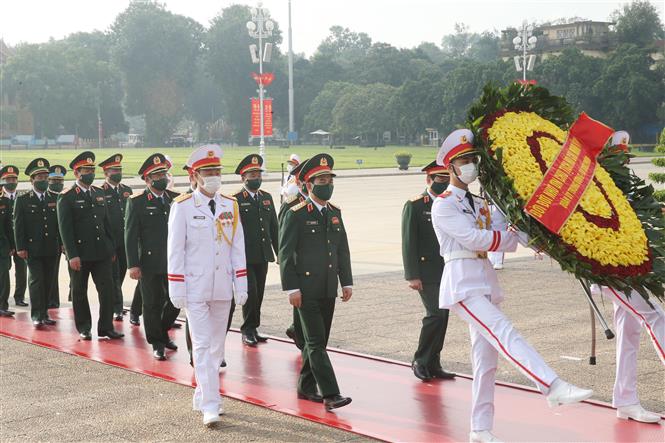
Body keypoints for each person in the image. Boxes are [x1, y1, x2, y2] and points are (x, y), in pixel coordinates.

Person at [431, 129, 593, 443]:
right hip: (462, 283)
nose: (470, 166)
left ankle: (480, 429)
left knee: (485, 362)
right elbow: (476, 238)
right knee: (505, 333)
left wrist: (537, 236)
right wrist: (507, 238)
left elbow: (506, 228)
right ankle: (552, 386)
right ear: (449, 167)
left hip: (483, 279)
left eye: (472, 160)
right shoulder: (444, 205)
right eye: (463, 161)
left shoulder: (479, 202)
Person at [586, 131, 664, 424]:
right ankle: (626, 398)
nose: (626, 162)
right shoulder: (598, 190)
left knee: (629, 334)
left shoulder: (622, 187)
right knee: (656, 316)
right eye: (620, 158)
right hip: (611, 273)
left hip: (629, 269)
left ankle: (625, 399)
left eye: (626, 157)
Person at [167, 145, 248, 426]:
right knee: (201, 345)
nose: (214, 176)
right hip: (195, 288)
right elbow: (175, 251)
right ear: (196, 175)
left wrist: (241, 282)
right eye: (208, 172)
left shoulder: (230, 204)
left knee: (217, 347)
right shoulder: (183, 206)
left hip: (223, 286)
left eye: (217, 171)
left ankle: (202, 392)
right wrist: (176, 287)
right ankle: (211, 405)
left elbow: (238, 247)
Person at [279, 153, 353, 411]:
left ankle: (305, 386)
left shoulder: (334, 212)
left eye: (329, 179)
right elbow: (286, 254)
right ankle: (331, 394)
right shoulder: (296, 213)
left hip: (327, 288)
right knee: (315, 342)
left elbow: (342, 250)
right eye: (321, 180)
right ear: (308, 185)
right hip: (305, 289)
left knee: (317, 341)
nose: (327, 184)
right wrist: (291, 288)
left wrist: (347, 282)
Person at [57, 151, 123, 341]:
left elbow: (106, 223)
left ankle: (106, 327)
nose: (90, 173)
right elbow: (65, 229)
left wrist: (110, 247)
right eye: (86, 170)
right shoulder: (67, 197)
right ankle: (84, 327)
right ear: (77, 173)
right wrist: (72, 255)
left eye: (92, 170)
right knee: (79, 292)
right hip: (80, 254)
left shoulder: (99, 192)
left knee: (107, 290)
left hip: (101, 252)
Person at [401, 160, 455, 381]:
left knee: (443, 316)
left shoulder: (450, 203)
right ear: (428, 180)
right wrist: (412, 275)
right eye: (440, 179)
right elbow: (408, 242)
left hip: (447, 269)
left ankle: (434, 363)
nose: (444, 183)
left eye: (446, 179)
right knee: (434, 314)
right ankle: (420, 360)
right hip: (425, 271)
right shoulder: (415, 205)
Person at [125, 154, 180, 360]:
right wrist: (133, 264)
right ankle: (157, 342)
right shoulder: (137, 202)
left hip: (174, 261)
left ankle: (163, 330)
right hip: (150, 261)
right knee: (151, 303)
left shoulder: (176, 199)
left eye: (164, 173)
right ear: (147, 180)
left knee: (175, 301)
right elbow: (130, 235)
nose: (162, 178)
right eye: (157, 175)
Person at [231, 154, 279, 346]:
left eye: (258, 174)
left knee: (259, 293)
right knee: (250, 292)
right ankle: (247, 329)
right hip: (245, 256)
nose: (256, 178)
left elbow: (274, 227)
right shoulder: (235, 199)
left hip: (263, 253)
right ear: (243, 178)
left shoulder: (266, 198)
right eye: (251, 175)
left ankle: (254, 326)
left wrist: (279, 252)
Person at [13, 158, 61, 327]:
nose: (43, 180)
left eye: (45, 177)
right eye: (39, 177)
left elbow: (60, 224)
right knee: (36, 281)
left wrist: (62, 244)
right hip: (32, 248)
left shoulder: (56, 197)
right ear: (31, 180)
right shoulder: (23, 199)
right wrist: (20, 247)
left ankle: (45, 312)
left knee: (49, 281)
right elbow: (18, 226)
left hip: (51, 247)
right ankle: (36, 315)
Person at [99, 154, 133, 321]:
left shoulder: (127, 191)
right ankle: (116, 308)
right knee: (113, 276)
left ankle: (113, 302)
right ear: (106, 172)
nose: (118, 172)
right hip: (110, 242)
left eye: (120, 169)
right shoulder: (100, 192)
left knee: (121, 273)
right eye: (114, 170)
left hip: (125, 241)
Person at [279, 159, 308, 349]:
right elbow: (283, 233)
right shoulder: (291, 204)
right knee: (301, 300)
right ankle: (299, 332)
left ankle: (297, 329)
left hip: (313, 263)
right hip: (297, 262)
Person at [1, 165, 27, 307]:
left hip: (21, 241)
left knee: (22, 271)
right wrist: (9, 244)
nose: (11, 181)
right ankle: (3, 299)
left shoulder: (22, 197)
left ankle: (19, 297)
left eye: (14, 178)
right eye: (8, 179)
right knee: (4, 272)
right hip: (4, 242)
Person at [46, 165, 66, 309]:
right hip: (52, 241)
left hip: (67, 240)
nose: (58, 184)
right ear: (49, 181)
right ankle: (51, 300)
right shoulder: (46, 197)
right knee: (52, 272)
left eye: (60, 181)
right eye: (54, 181)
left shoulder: (65, 196)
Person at [0, 177, 15, 318]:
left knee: (4, 276)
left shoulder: (4, 202)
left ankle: (2, 306)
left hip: (2, 246)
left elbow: (8, 226)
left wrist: (12, 245)